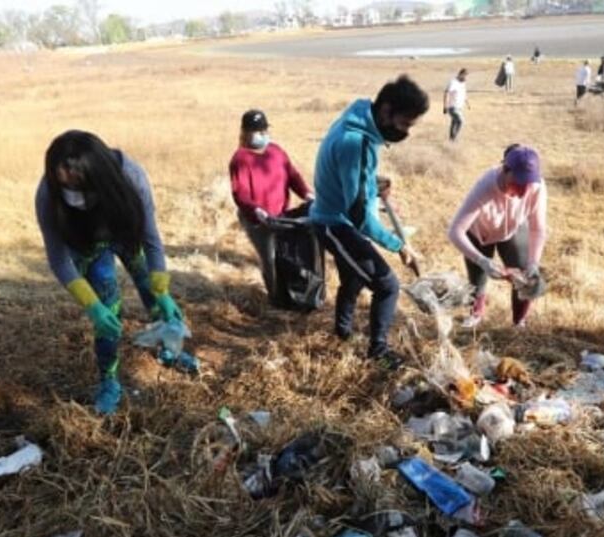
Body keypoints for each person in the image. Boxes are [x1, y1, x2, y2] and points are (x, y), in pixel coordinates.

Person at [35, 130, 185, 415]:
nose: (72, 195)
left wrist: (162, 290)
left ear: (98, 176)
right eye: (65, 187)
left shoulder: (130, 176)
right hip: (86, 246)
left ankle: (171, 346)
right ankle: (109, 381)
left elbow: (151, 238)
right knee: (107, 308)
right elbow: (58, 259)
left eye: (78, 186)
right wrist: (91, 306)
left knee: (148, 285)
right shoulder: (47, 194)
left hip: (123, 234)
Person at [310, 74, 426, 370]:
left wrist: (374, 184)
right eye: (404, 123)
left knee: (355, 274)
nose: (405, 132)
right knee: (387, 285)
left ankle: (343, 332)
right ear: (386, 110)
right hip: (333, 223)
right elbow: (359, 216)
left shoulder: (358, 120)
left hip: (338, 215)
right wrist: (398, 246)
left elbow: (351, 177)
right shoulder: (357, 140)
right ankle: (378, 352)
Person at [448, 145, 547, 329]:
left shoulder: (537, 186)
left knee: (526, 272)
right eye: (519, 182)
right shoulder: (486, 186)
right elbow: (455, 231)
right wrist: (482, 260)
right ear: (505, 169)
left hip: (512, 229)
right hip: (480, 232)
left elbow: (537, 228)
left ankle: (519, 321)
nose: (524, 191)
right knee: (477, 278)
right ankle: (476, 314)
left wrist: (534, 262)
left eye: (528, 183)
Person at [229, 109, 313, 306]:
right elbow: (239, 193)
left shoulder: (276, 151)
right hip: (258, 220)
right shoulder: (240, 159)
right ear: (245, 133)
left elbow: (293, 176)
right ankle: (275, 299)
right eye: (256, 131)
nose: (262, 134)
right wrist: (255, 210)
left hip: (281, 216)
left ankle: (293, 292)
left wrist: (306, 194)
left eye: (264, 130)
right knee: (270, 258)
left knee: (287, 254)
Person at [443, 68, 470, 141]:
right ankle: (454, 138)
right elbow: (446, 93)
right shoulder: (453, 83)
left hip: (460, 107)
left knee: (454, 122)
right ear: (461, 74)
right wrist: (445, 106)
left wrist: (467, 103)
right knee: (460, 121)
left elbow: (463, 93)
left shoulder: (463, 83)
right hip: (452, 107)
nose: (466, 78)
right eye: (465, 76)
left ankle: (451, 139)